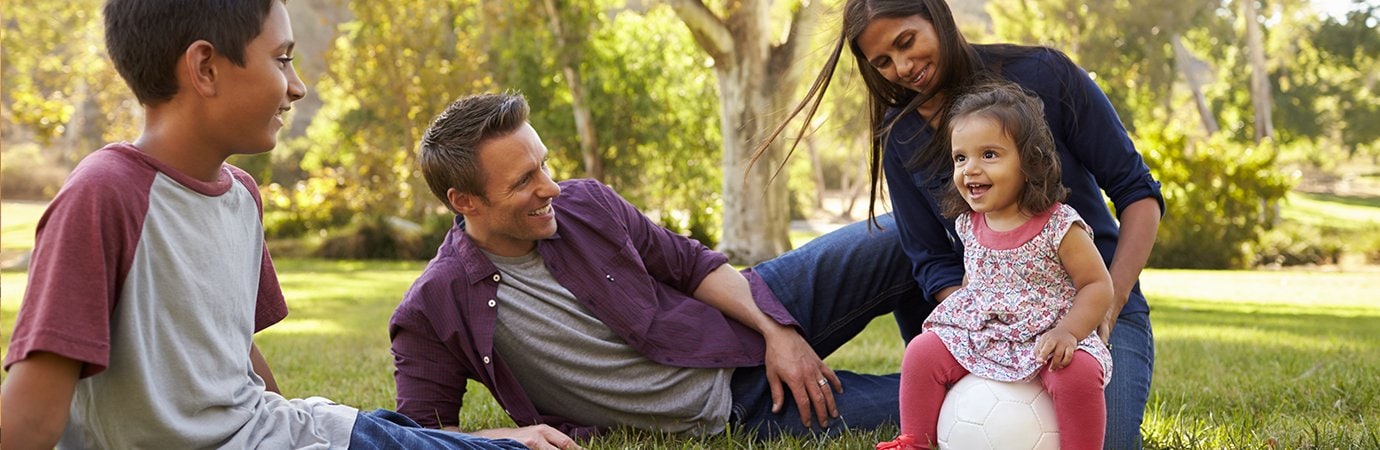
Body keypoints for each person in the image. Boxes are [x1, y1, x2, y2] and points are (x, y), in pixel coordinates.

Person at [0, 1, 524, 448]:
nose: (296, 87)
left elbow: (238, 360)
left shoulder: (241, 196)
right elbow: (31, 419)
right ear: (205, 67)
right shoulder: (105, 194)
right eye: (283, 59)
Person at [389, 92, 923, 447]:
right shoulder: (433, 306)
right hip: (738, 404)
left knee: (910, 230)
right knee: (944, 407)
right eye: (524, 180)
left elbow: (690, 266)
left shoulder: (586, 203)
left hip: (743, 309)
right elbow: (419, 436)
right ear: (466, 202)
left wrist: (774, 328)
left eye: (545, 164)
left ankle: (964, 338)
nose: (550, 187)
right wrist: (507, 438)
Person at [761, 1, 1165, 448]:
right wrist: (984, 326)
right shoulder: (901, 134)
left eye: (906, 42)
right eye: (883, 62)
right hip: (988, 318)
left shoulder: (1045, 74)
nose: (902, 67)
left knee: (1107, 438)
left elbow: (1137, 193)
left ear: (937, 16)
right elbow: (931, 259)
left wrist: (1107, 306)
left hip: (1093, 309)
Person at [875, 81, 1114, 450]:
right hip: (987, 329)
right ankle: (915, 442)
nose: (970, 169)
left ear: (1029, 162)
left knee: (1078, 374)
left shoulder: (1059, 225)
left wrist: (1070, 331)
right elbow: (975, 279)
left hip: (1047, 332)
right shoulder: (969, 225)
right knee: (922, 352)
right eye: (960, 158)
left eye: (989, 155)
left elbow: (1098, 285)